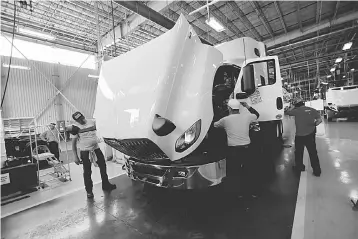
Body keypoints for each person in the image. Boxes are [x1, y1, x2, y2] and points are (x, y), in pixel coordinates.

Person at [214, 99, 260, 198]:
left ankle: (238, 194)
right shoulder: (247, 117)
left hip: (233, 150)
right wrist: (247, 106)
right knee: (249, 170)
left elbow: (214, 125)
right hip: (247, 148)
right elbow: (257, 114)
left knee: (235, 172)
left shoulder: (225, 120)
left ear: (229, 108)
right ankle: (251, 192)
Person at [69, 111, 116, 199]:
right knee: (87, 172)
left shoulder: (92, 122)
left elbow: (102, 128)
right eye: (79, 120)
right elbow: (73, 144)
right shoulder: (75, 128)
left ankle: (105, 185)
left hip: (96, 149)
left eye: (82, 118)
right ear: (76, 121)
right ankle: (89, 191)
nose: (81, 121)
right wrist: (75, 156)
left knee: (103, 167)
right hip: (85, 152)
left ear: (83, 116)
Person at [285, 98, 322, 177]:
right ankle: (317, 171)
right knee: (313, 153)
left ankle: (300, 167)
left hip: (300, 136)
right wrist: (314, 124)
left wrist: (292, 106)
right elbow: (319, 120)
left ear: (296, 105)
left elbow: (287, 112)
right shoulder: (312, 110)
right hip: (310, 134)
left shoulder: (296, 111)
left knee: (298, 152)